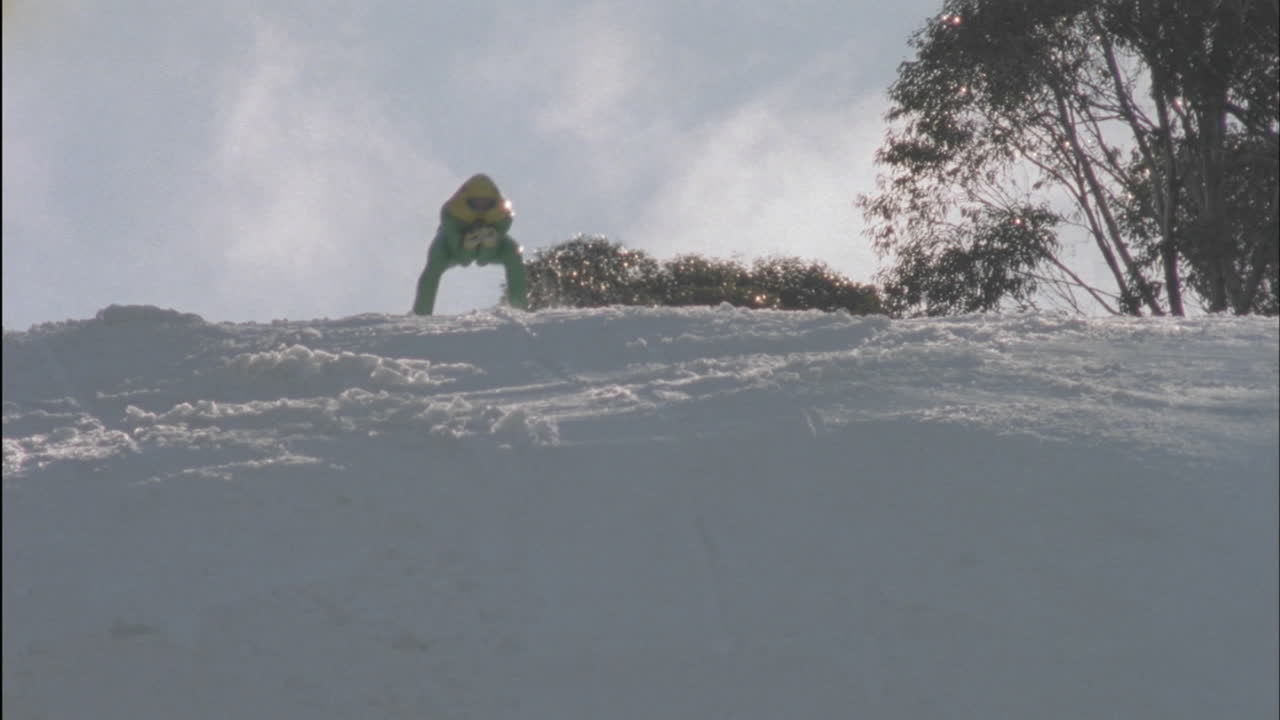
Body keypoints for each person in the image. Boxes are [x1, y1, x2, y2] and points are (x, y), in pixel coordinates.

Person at [412, 173, 528, 315]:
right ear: (466, 200)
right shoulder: (452, 214)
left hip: (484, 244)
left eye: (486, 204)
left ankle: (519, 309)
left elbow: (482, 260)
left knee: (513, 253)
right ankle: (421, 313)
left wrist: (490, 244)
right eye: (476, 203)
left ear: (494, 202)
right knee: (435, 264)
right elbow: (462, 258)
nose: (480, 209)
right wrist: (468, 245)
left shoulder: (503, 216)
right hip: (450, 243)